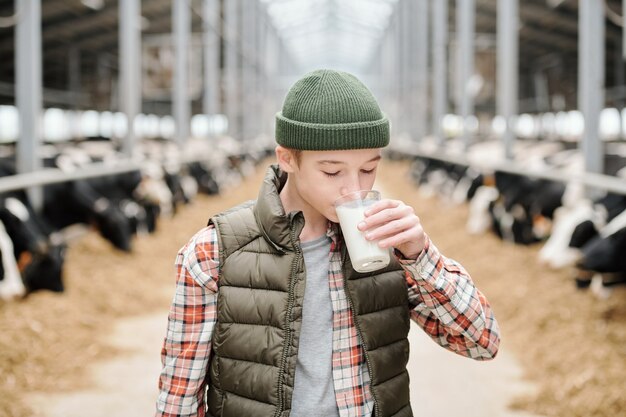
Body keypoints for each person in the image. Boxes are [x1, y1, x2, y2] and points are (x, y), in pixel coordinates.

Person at [155, 69, 500, 417]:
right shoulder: (213, 253)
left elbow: (482, 342)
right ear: (287, 158)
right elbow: (178, 398)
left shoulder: (387, 243)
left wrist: (421, 254)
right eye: (332, 172)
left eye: (368, 169)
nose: (355, 188)